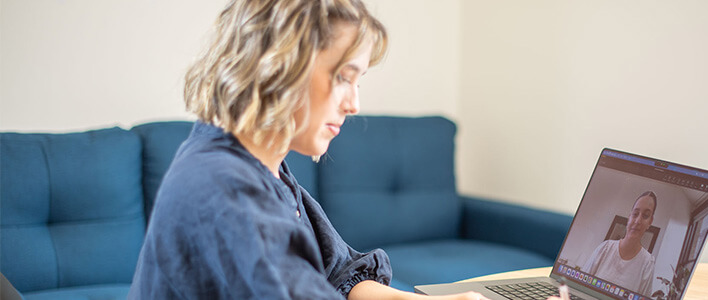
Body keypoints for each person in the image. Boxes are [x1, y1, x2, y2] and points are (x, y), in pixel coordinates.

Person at [128, 0, 487, 299]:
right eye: (344, 77)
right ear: (280, 65)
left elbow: (343, 277)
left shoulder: (264, 167)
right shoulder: (223, 186)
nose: (354, 104)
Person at [581, 191, 657, 296]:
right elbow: (579, 286)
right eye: (635, 214)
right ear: (629, 217)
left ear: (650, 222)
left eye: (645, 216)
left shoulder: (647, 263)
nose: (638, 221)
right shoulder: (605, 248)